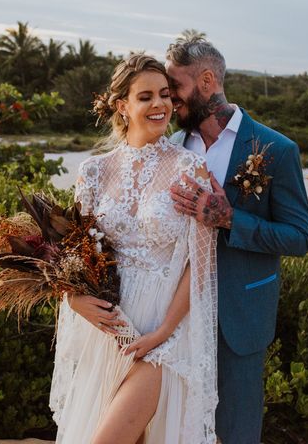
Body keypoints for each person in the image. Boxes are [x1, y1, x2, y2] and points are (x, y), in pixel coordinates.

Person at [49, 53, 219, 444]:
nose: (159, 105)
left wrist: (163, 333)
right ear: (122, 105)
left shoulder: (190, 168)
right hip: (109, 329)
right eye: (145, 97)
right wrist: (73, 299)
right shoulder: (93, 172)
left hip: (167, 334)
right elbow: (74, 255)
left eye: (164, 94)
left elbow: (203, 263)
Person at [167, 37, 308, 443]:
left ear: (207, 81)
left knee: (236, 430)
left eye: (175, 86)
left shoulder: (276, 150)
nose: (169, 98)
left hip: (240, 314)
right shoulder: (170, 147)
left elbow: (300, 238)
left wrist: (230, 218)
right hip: (175, 315)